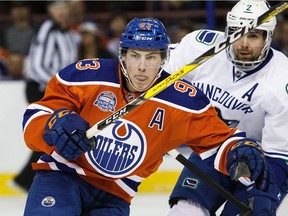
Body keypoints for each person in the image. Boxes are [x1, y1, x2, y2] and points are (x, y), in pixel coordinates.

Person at [22, 17, 276, 216]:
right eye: (135, 56)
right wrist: (55, 124)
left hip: (116, 195)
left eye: (151, 57)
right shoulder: (86, 75)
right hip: (62, 177)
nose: (142, 67)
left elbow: (218, 142)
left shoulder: (184, 101)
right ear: (122, 56)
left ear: (164, 58)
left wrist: (239, 150)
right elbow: (37, 115)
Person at [164, 0, 288, 215]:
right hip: (214, 148)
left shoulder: (281, 79)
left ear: (268, 38)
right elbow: (152, 74)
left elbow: (279, 154)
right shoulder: (201, 48)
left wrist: (266, 193)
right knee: (184, 211)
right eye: (237, 33)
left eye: (253, 36)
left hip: (265, 163)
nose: (243, 43)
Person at [13, 0, 80, 192]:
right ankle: (29, 179)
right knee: (52, 132)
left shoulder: (69, 33)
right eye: (57, 6)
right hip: (42, 88)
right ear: (50, 10)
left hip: (56, 89)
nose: (61, 11)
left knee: (53, 133)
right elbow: (36, 66)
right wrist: (60, 87)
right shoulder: (48, 30)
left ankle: (28, 178)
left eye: (64, 6)